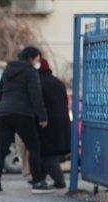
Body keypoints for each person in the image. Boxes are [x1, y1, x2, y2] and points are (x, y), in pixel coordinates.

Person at [0, 46, 52, 195]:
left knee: (1, 149)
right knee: (33, 146)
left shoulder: (8, 69)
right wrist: (43, 116)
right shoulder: (30, 71)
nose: (38, 62)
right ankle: (37, 182)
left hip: (4, 112)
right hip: (22, 113)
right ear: (31, 58)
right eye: (37, 59)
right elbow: (35, 95)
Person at [37, 58, 71, 189]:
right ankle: (39, 178)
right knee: (48, 152)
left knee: (47, 153)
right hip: (62, 121)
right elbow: (65, 102)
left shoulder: (38, 82)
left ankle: (59, 180)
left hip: (47, 121)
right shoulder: (58, 82)